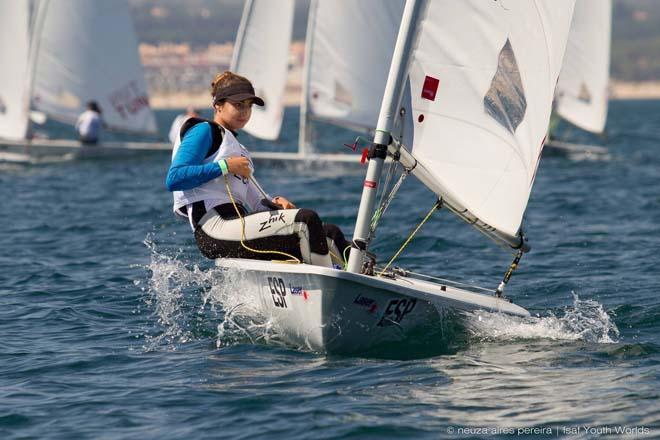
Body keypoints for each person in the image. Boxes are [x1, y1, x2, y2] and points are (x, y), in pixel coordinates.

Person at [165, 71, 350, 267]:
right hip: (214, 229)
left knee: (329, 233)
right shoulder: (204, 130)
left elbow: (255, 202)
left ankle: (365, 278)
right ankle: (328, 287)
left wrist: (276, 204)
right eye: (238, 105)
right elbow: (174, 178)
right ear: (218, 105)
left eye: (249, 106)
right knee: (306, 221)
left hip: (239, 224)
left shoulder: (238, 149)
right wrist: (225, 166)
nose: (245, 112)